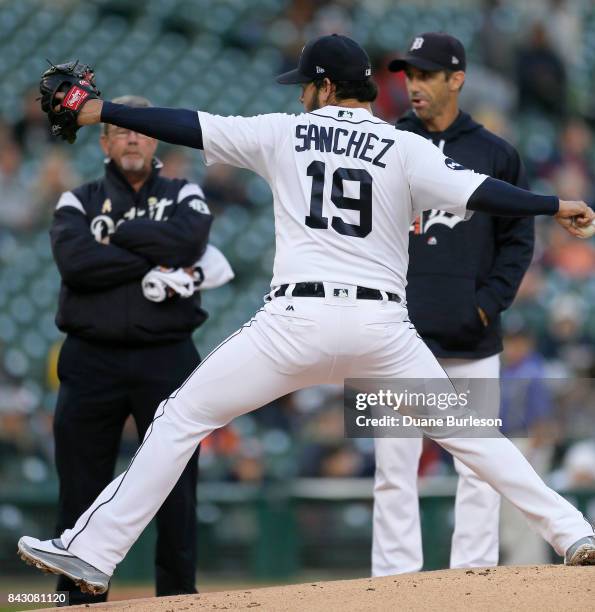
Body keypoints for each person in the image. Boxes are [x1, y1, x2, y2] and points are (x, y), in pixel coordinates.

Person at [18, 34, 595, 594]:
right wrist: (555, 204)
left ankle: (93, 554)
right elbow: (483, 193)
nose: (299, 97)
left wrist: (99, 110)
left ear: (324, 87)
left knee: (179, 418)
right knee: (474, 436)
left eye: (304, 86)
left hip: (296, 322)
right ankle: (574, 532)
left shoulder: (285, 132)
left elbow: (187, 125)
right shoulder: (405, 146)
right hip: (382, 331)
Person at [372, 32, 534, 575]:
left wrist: (487, 305)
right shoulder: (388, 143)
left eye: (425, 75)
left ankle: (473, 582)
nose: (412, 85)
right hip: (395, 337)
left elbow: (518, 241)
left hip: (472, 338)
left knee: (480, 468)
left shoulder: (495, 153)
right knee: (393, 467)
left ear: (456, 79)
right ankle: (394, 583)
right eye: (408, 75)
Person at [49, 95, 214, 604]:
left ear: (155, 136)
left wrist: (117, 238)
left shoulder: (186, 193)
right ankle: (75, 598)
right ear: (104, 140)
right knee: (80, 484)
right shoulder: (76, 199)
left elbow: (190, 244)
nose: (132, 138)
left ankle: (177, 595)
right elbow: (77, 265)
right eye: (119, 130)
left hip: (167, 355)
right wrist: (151, 255)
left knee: (175, 484)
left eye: (138, 130)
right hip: (89, 357)